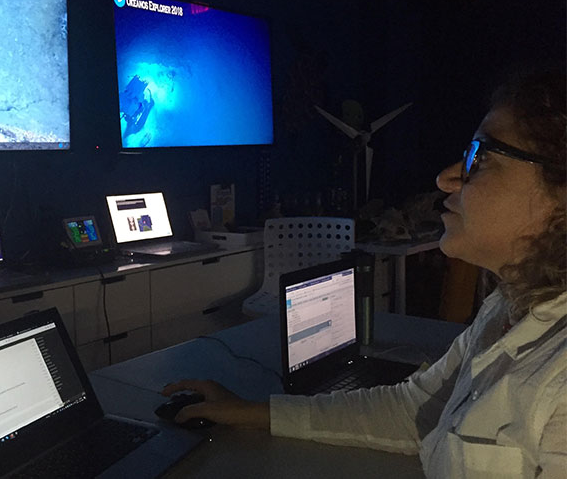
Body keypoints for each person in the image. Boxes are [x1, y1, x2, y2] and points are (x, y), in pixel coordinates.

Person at [163, 71, 566, 478]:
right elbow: (415, 411)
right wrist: (251, 412)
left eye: (480, 157)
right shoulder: (505, 311)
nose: (447, 177)